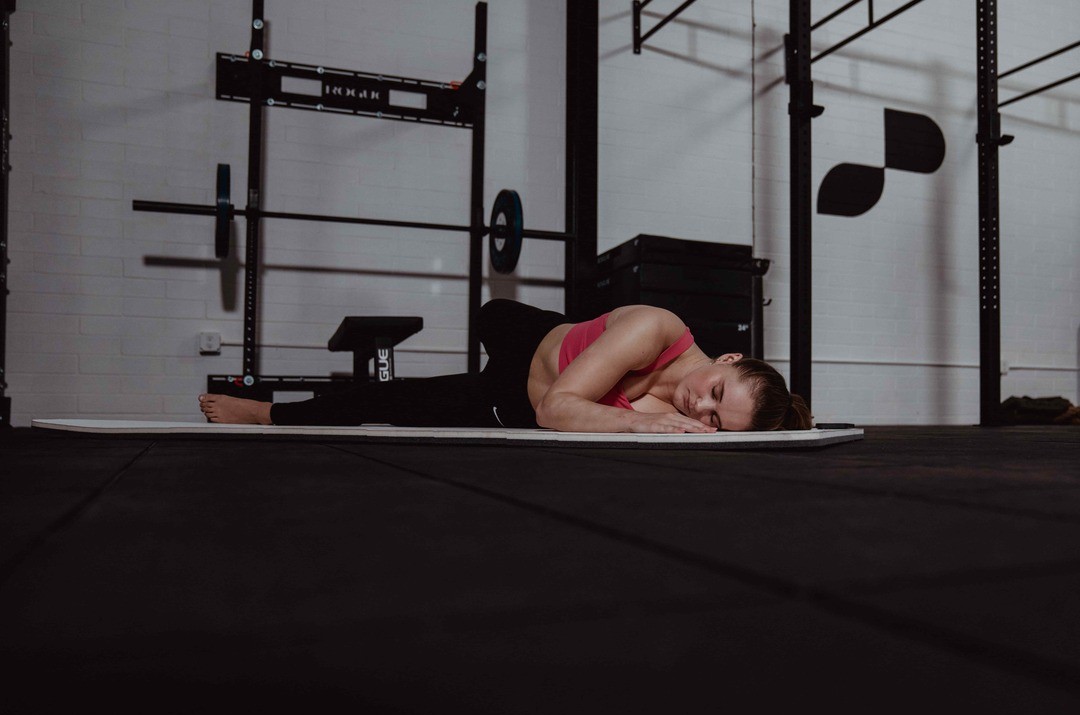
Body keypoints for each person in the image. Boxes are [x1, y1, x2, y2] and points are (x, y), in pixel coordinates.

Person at [199, 299, 812, 433]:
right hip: (536, 339)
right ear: (729, 358)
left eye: (715, 418)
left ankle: (266, 412)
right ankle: (581, 328)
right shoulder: (659, 329)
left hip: (512, 400)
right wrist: (641, 423)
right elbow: (560, 410)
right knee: (491, 311)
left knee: (397, 403)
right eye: (715, 391)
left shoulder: (693, 426)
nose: (698, 407)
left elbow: (541, 414)